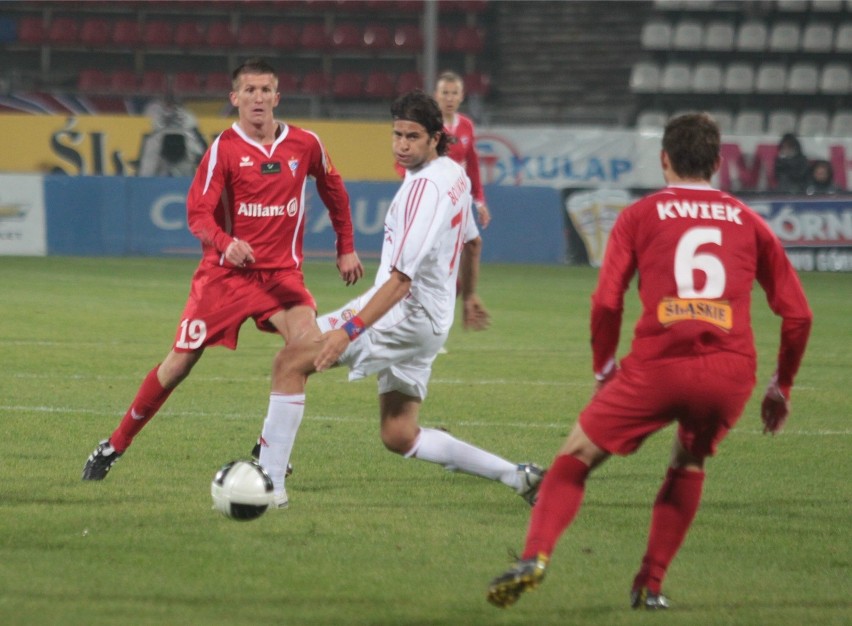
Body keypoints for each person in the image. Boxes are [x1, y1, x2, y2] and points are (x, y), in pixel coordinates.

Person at [486, 113, 812, 610]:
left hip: (659, 366)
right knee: (689, 460)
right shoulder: (749, 221)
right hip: (728, 371)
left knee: (575, 457)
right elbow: (798, 315)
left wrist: (603, 369)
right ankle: (650, 585)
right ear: (718, 163)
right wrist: (781, 386)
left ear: (664, 160)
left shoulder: (638, 216)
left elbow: (606, 302)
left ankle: (535, 555)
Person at [254, 90, 543, 509]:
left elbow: (401, 281)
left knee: (289, 362)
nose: (402, 145)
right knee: (399, 433)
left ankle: (269, 488)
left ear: (434, 138)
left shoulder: (425, 190)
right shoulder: (454, 176)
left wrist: (347, 332)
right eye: (397, 135)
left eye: (412, 137)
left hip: (404, 313)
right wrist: (470, 296)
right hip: (431, 323)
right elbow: (473, 244)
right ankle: (516, 476)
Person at [82, 57, 364, 480]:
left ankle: (271, 448)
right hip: (225, 278)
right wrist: (225, 243)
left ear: (277, 97)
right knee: (178, 365)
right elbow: (197, 213)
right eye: (249, 90)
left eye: (265, 89)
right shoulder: (224, 150)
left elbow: (334, 191)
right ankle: (112, 446)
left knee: (307, 347)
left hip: (281, 277)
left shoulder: (305, 144)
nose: (257, 98)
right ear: (234, 99)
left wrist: (346, 247)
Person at [395, 71, 490, 229]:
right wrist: (418, 181)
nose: (449, 98)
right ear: (436, 95)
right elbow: (401, 162)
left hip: (457, 196)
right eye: (445, 93)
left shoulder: (466, 126)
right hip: (429, 197)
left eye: (454, 93)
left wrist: (479, 201)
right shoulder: (424, 125)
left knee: (469, 245)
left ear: (461, 96)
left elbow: (472, 166)